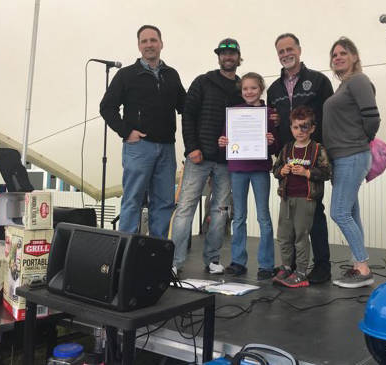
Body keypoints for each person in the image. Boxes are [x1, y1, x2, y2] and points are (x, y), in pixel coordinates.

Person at [100, 25, 186, 239]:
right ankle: (124, 252)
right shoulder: (126, 75)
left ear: (161, 44)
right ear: (139, 46)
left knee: (164, 202)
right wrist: (126, 132)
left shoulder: (171, 74)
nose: (149, 44)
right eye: (145, 41)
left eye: (153, 40)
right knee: (132, 200)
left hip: (166, 148)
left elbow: (185, 106)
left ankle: (156, 252)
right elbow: (107, 107)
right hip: (139, 148)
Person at [170, 38, 244, 274]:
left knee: (220, 212)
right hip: (198, 158)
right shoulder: (203, 81)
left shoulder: (243, 87)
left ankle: (212, 259)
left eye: (231, 54)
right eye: (223, 53)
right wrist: (192, 147)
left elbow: (248, 119)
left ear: (238, 57)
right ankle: (174, 261)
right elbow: (188, 115)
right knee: (185, 209)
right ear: (218, 57)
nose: (227, 57)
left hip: (227, 162)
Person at [267, 33, 334, 283]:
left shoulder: (318, 81)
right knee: (289, 218)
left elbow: (330, 118)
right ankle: (292, 266)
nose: (286, 54)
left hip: (312, 161)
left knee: (315, 213)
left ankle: (322, 266)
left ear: (299, 50)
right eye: (281, 51)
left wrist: (324, 154)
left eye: (289, 49)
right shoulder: (274, 89)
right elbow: (274, 123)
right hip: (288, 160)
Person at [323, 37, 380, 288]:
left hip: (352, 155)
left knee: (339, 212)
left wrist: (361, 140)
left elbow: (372, 117)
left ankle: (363, 267)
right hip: (342, 157)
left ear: (355, 57)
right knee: (352, 212)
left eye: (343, 53)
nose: (337, 57)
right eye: (334, 55)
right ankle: (359, 266)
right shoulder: (344, 85)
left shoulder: (358, 81)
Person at [218, 72, 278, 280]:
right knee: (239, 217)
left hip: (260, 168)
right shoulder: (234, 113)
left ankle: (267, 264)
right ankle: (238, 261)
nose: (249, 92)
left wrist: (272, 141)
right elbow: (226, 138)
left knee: (263, 217)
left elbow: (276, 143)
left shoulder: (269, 113)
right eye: (245, 89)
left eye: (253, 88)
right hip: (238, 169)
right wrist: (223, 142)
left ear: (261, 89)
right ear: (241, 91)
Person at [272, 106, 331, 288]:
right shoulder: (287, 148)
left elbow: (327, 172)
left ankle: (301, 272)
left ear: (312, 128)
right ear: (291, 128)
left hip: (306, 199)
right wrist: (281, 171)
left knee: (301, 236)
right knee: (284, 235)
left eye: (304, 127)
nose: (300, 131)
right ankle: (287, 267)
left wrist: (306, 173)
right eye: (296, 127)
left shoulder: (317, 149)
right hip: (286, 197)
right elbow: (276, 170)